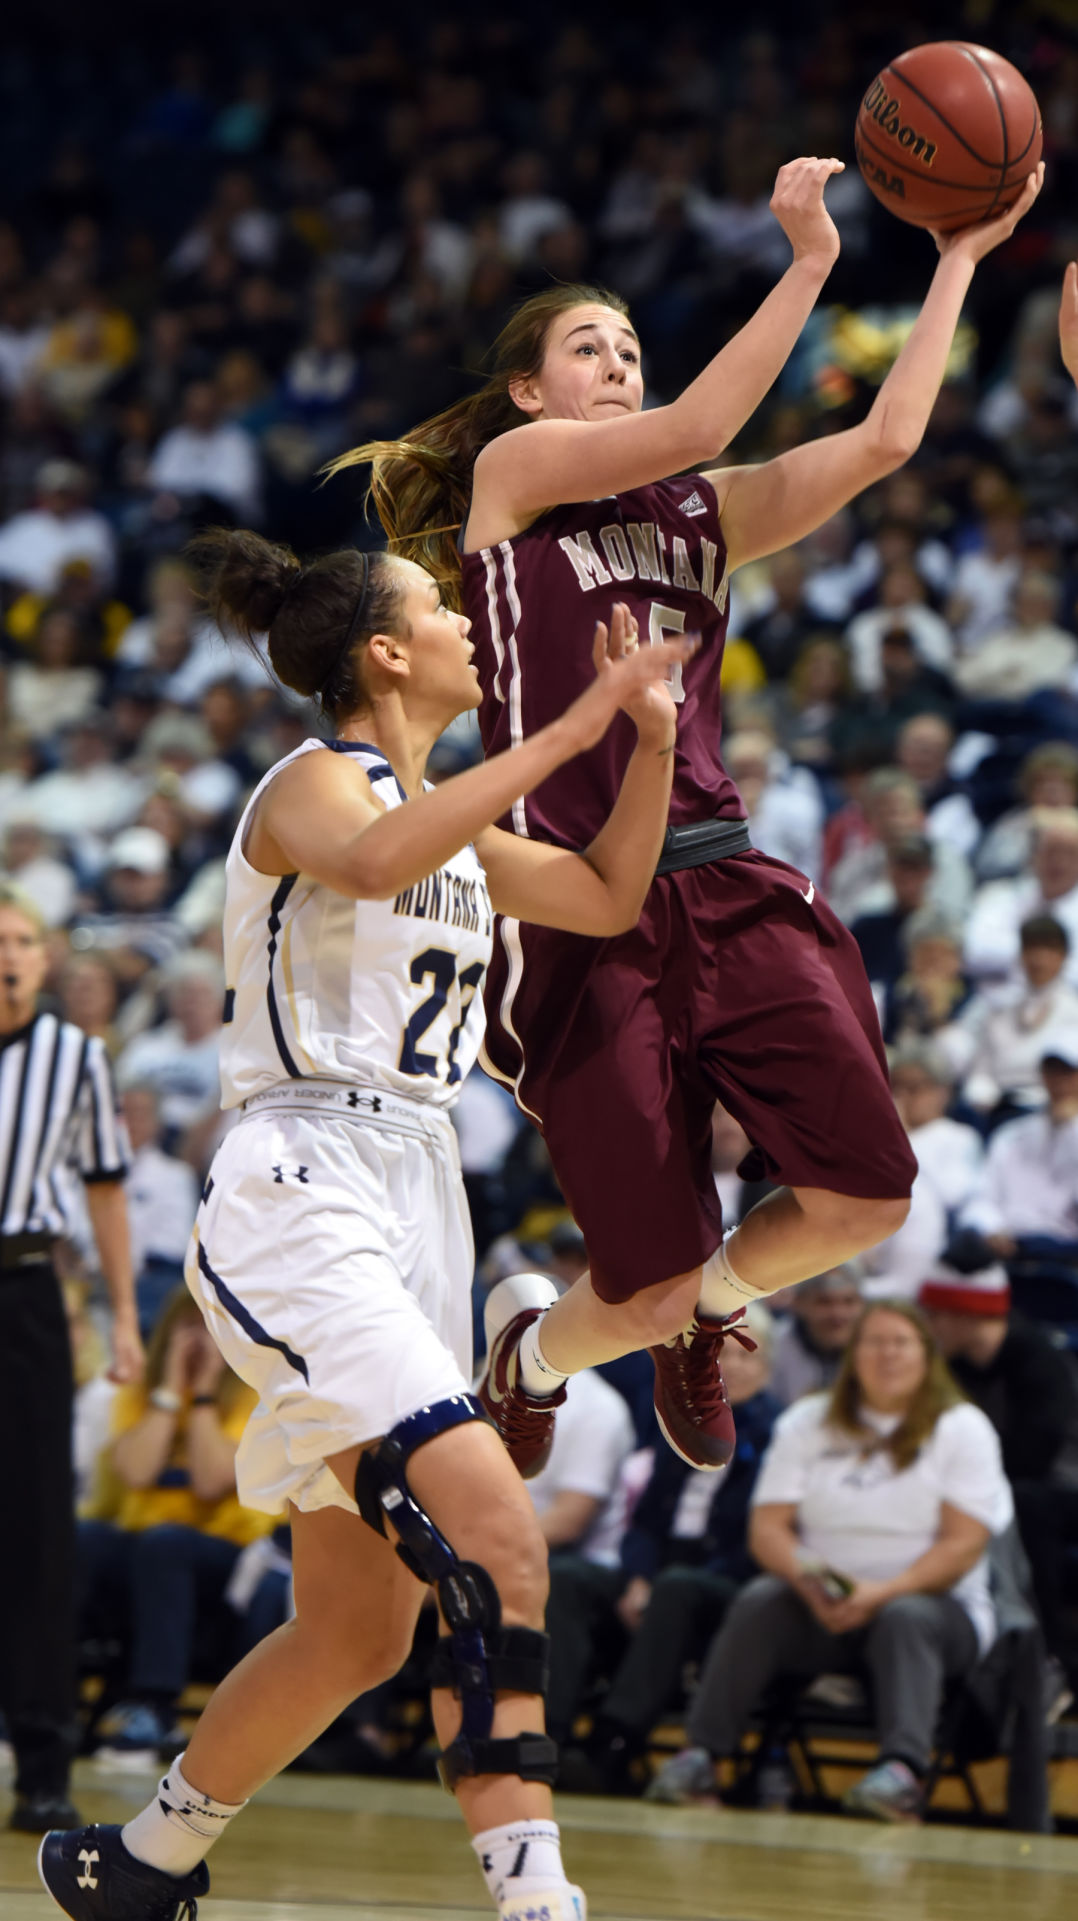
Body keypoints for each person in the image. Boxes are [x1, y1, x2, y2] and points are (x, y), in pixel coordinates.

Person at [343, 157, 1042, 1478]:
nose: (618, 363)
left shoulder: (698, 514)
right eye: (588, 348)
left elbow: (884, 442)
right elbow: (691, 425)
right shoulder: (516, 477)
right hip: (575, 901)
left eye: (629, 346)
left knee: (862, 1202)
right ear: (531, 393)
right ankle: (532, 1355)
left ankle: (711, 1309)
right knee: (642, 1285)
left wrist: (955, 257)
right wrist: (810, 264)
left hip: (720, 872)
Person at [39, 527, 693, 1921]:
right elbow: (380, 857)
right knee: (498, 1543)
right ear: (383, 653)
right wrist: (571, 718)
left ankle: (138, 1864)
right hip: (302, 1178)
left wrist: (643, 744)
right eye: (441, 606)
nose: (469, 621)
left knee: (354, 1628)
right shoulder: (313, 783)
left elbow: (600, 894)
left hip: (420, 1192)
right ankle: (538, 1899)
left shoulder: (450, 814)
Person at [646, 1301, 1012, 1822]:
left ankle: (902, 1772)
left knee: (906, 1619)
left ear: (926, 1355)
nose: (886, 1355)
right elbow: (767, 1530)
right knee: (761, 1600)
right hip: (824, 1604)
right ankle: (703, 1754)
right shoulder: (807, 1421)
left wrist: (880, 1594)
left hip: (936, 1610)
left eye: (900, 1342)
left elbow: (963, 1545)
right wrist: (812, 1583)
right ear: (852, 1354)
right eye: (873, 1342)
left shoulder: (962, 1427)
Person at [0, 882, 141, 1835]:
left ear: (47, 960)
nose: (9, 953)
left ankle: (43, 1764)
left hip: (21, 1295)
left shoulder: (75, 1058)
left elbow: (106, 1194)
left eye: (22, 939)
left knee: (37, 1528)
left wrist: (126, 1315)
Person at [920, 1260, 1078, 1694]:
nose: (927, 1328)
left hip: (1060, 1488)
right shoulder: (952, 1365)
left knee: (1024, 1504)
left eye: (934, 1316)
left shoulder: (1039, 1360)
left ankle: (1049, 1653)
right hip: (1008, 1488)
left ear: (964, 1315)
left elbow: (1036, 1459)